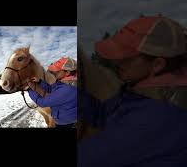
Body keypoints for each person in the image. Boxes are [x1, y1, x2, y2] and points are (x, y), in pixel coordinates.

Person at [78, 15, 187, 167]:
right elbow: (104, 114)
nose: (115, 61)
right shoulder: (141, 90)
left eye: (126, 57)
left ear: (157, 65)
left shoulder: (155, 117)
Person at [27, 57, 77, 128]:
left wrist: (29, 89)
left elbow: (42, 103)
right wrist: (40, 82)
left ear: (67, 72)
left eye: (57, 71)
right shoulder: (65, 82)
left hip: (65, 122)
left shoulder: (67, 88)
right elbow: (52, 89)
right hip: (66, 116)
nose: (53, 72)